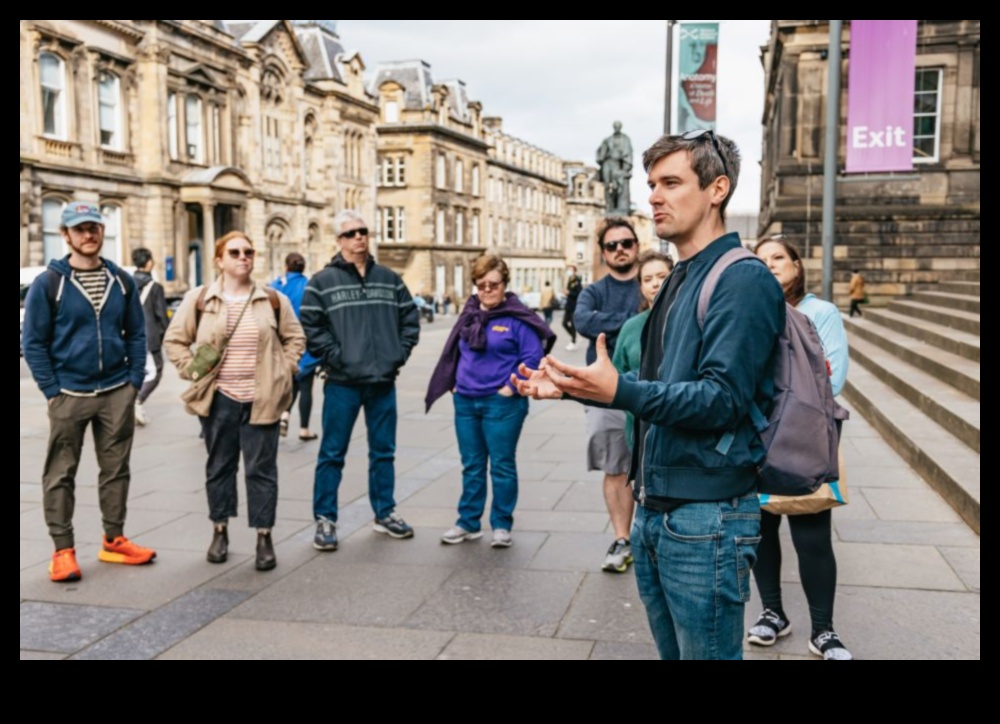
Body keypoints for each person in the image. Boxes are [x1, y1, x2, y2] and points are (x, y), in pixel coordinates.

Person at [515, 131, 786, 660]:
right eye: (651, 184)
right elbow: (654, 388)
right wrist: (576, 389)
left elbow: (722, 400)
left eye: (671, 183)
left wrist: (620, 388)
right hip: (655, 508)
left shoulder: (742, 279)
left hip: (705, 516)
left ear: (717, 189)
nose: (654, 197)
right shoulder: (680, 277)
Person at [22, 200, 157, 582]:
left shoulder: (121, 280)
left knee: (116, 470)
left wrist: (133, 383)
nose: (88, 234)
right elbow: (33, 343)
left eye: (94, 227)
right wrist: (52, 390)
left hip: (116, 391)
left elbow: (136, 334)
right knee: (60, 473)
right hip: (69, 394)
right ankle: (63, 549)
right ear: (65, 235)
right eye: (80, 228)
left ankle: (114, 540)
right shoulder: (49, 284)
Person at [164, 232, 305, 572]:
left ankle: (263, 536)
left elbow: (295, 337)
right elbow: (175, 339)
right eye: (235, 252)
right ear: (219, 260)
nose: (243, 257)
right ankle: (220, 529)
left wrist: (283, 371)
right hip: (219, 399)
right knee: (220, 466)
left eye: (248, 252)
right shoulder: (200, 299)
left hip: (263, 398)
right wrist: (191, 370)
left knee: (261, 470)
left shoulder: (273, 300)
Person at [749, 237, 853, 661]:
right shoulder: (751, 309)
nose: (770, 265)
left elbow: (833, 377)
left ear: (796, 265)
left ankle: (823, 631)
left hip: (804, 435)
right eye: (762, 260)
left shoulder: (819, 312)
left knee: (811, 533)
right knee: (761, 532)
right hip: (755, 435)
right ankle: (773, 613)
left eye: (778, 258)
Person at [301, 210, 421, 551]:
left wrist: (398, 353)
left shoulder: (389, 278)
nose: (359, 237)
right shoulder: (322, 281)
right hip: (342, 383)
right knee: (332, 453)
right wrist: (337, 356)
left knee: (383, 452)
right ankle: (325, 519)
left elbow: (409, 319)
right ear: (339, 241)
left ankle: (385, 513)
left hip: (383, 380)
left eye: (363, 231)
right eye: (351, 233)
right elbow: (311, 326)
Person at [426, 255, 555, 548]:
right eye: (481, 284)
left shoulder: (517, 317)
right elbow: (454, 351)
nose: (487, 290)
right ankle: (468, 522)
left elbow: (533, 358)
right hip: (466, 401)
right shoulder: (469, 314)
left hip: (502, 404)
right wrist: (454, 384)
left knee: (501, 464)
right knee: (471, 464)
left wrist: (509, 388)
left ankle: (501, 524)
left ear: (504, 284)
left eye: (493, 284)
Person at [574, 218, 641, 574]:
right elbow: (583, 321)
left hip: (651, 390)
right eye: (612, 245)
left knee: (654, 465)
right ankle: (622, 537)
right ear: (603, 253)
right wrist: (633, 318)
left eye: (626, 243)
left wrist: (609, 320)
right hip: (604, 395)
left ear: (637, 246)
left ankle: (652, 539)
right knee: (615, 468)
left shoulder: (652, 282)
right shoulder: (593, 291)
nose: (620, 250)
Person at [612, 250, 673, 451]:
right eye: (648, 279)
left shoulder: (691, 321)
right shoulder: (631, 327)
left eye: (662, 277)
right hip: (640, 427)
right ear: (641, 286)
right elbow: (616, 377)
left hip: (680, 425)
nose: (655, 283)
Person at [271, 253, 321, 441]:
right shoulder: (310, 286)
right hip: (306, 344)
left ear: (286, 266)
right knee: (305, 386)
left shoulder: (276, 285)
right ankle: (304, 429)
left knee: (288, 384)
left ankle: (282, 416)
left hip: (282, 345)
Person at [132, 247, 169, 427]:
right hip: (150, 338)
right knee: (156, 372)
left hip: (129, 337)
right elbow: (161, 315)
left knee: (135, 371)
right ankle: (136, 401)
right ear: (149, 262)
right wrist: (164, 336)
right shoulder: (154, 287)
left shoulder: (126, 284)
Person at [597, 121, 634, 214]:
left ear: (620, 127)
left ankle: (618, 207)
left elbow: (628, 153)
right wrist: (602, 156)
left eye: (618, 127)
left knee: (617, 186)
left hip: (617, 164)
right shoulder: (608, 139)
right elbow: (600, 152)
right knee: (607, 186)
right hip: (607, 163)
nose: (616, 128)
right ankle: (609, 207)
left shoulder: (625, 139)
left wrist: (626, 167)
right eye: (615, 126)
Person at [563, 265, 583, 351]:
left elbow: (579, 293)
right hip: (568, 305)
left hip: (574, 306)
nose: (569, 271)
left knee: (573, 324)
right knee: (564, 323)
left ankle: (573, 341)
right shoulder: (570, 280)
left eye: (570, 270)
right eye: (568, 269)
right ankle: (574, 336)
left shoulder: (577, 281)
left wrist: (569, 293)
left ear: (574, 271)